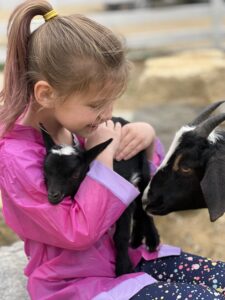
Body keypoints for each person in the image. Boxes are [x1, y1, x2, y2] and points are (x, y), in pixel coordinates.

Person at [0, 1, 225, 299]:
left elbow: (141, 189)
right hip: (77, 286)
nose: (107, 114)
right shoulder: (16, 159)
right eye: (96, 104)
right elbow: (77, 232)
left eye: (112, 102)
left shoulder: (77, 126)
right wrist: (102, 160)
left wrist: (146, 143)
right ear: (46, 93)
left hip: (132, 260)